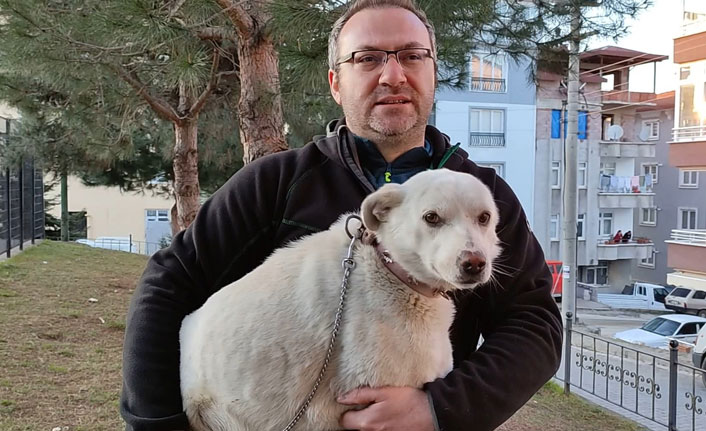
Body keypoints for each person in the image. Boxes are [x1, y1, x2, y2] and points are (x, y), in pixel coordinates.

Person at [120, 1, 563, 430]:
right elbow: (169, 282)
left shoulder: (484, 198)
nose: (393, 75)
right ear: (336, 82)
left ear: (432, 72)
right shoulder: (276, 182)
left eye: (412, 56)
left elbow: (535, 325)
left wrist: (439, 411)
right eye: (368, 58)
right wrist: (158, 423)